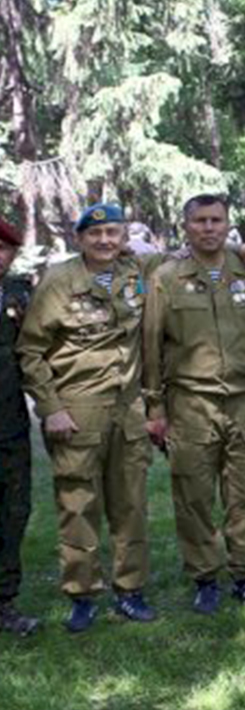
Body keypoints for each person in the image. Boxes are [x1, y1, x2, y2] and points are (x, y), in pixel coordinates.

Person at [18, 203, 157, 632]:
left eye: (113, 233)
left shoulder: (134, 270)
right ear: (80, 238)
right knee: (78, 505)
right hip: (78, 408)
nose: (104, 241)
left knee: (130, 504)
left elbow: (184, 256)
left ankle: (130, 590)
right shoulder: (60, 281)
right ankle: (82, 594)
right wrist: (51, 408)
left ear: (123, 237)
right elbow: (31, 350)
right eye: (95, 234)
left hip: (127, 407)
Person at [143, 194, 245, 613]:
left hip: (243, 399)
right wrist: (155, 408)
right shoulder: (166, 278)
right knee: (194, 495)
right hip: (190, 402)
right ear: (186, 227)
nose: (208, 228)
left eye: (216, 219)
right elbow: (151, 347)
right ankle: (204, 577)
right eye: (199, 221)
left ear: (227, 224)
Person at [0, 219, 40, 635]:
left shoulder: (21, 293)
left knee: (14, 511)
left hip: (9, 424)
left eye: (4, 249)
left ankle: (4, 602)